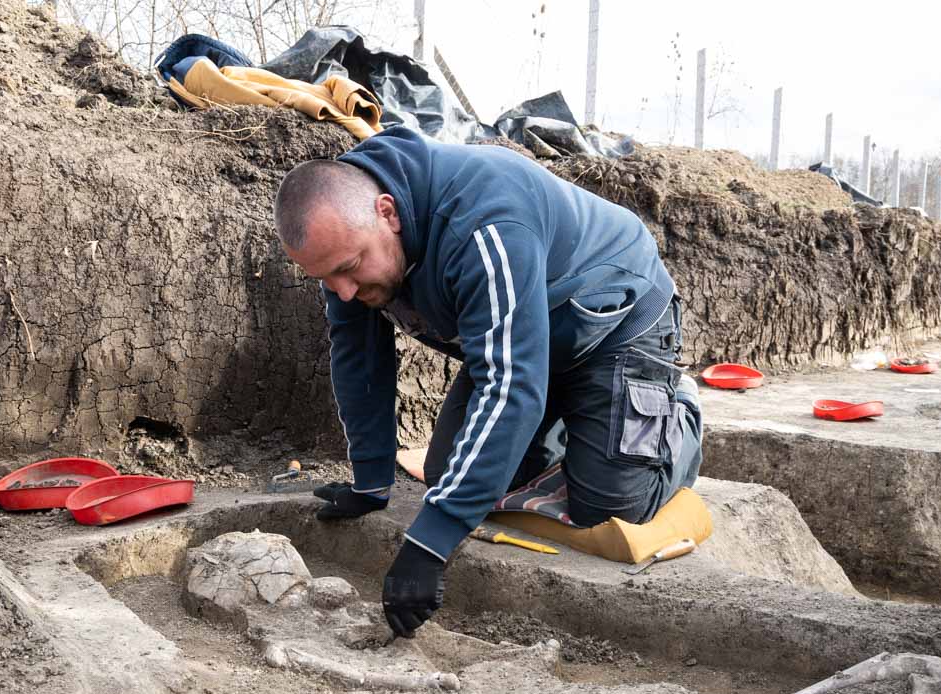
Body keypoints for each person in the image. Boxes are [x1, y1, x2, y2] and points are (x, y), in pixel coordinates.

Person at [273, 127, 702, 639]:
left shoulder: (484, 223)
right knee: (445, 473)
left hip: (615, 324)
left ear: (388, 213)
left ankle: (674, 414)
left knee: (612, 505)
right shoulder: (347, 245)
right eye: (326, 279)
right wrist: (370, 481)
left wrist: (431, 542)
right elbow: (359, 358)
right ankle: (573, 413)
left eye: (348, 269)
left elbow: (509, 384)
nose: (342, 292)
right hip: (530, 338)